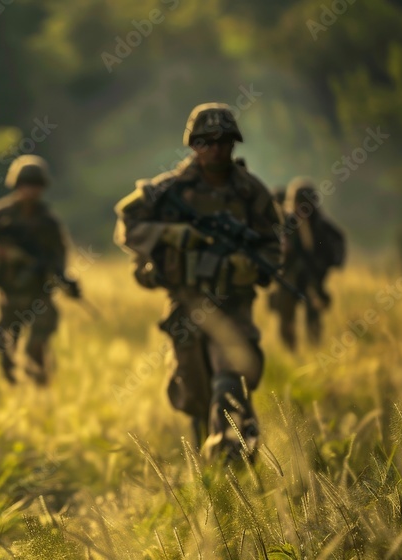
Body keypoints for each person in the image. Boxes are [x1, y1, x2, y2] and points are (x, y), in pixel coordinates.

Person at [113, 103, 282, 461]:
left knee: (230, 381)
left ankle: (235, 454)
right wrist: (171, 235)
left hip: (232, 305)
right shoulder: (167, 190)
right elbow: (127, 225)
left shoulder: (251, 192)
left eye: (223, 141)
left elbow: (272, 246)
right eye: (207, 141)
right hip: (186, 304)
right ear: (193, 144)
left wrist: (247, 266)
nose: (216, 149)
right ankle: (210, 469)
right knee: (195, 394)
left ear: (234, 144)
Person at [0, 155, 81, 386]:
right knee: (3, 342)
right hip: (9, 291)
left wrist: (61, 278)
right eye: (26, 185)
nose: (30, 191)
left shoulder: (48, 221)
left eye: (35, 186)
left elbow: (58, 256)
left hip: (39, 292)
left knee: (36, 345)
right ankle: (12, 385)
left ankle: (40, 386)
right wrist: (2, 256)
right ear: (16, 185)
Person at [270, 177, 346, 350]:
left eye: (307, 204)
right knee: (285, 314)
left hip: (312, 277)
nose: (303, 209)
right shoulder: (286, 223)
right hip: (289, 277)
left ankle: (314, 350)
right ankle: (290, 351)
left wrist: (328, 263)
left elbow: (337, 244)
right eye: (299, 203)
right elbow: (271, 245)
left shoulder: (320, 225)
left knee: (314, 314)